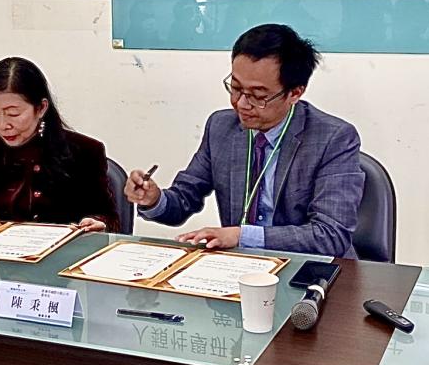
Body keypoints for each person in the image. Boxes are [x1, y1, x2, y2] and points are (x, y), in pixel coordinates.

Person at [124, 24, 364, 257]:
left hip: (308, 271)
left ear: (295, 93)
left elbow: (330, 236)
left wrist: (242, 236)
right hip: (241, 268)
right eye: (236, 89)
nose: (241, 104)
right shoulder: (221, 127)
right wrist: (154, 200)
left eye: (258, 96)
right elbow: (184, 198)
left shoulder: (333, 138)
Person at [0, 57, 120, 232]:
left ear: (41, 108)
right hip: (5, 256)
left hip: (66, 258)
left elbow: (110, 218)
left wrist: (98, 223)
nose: (2, 125)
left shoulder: (84, 151)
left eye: (13, 114)